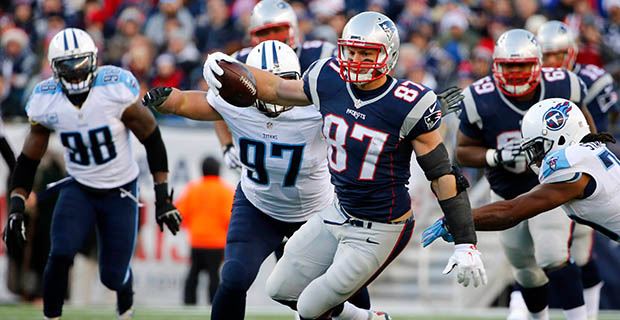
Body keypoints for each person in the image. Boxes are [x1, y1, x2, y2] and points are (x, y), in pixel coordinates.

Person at [202, 12, 486, 320]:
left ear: (388, 54)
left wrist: (465, 242)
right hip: (338, 212)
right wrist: (225, 68)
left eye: (367, 53)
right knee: (281, 289)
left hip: (382, 225)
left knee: (309, 307)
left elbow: (443, 175)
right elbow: (277, 90)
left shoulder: (409, 102)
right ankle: (367, 318)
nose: (357, 60)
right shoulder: (328, 77)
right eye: (351, 51)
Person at [143, 40, 376, 320]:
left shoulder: (316, 108)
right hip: (258, 206)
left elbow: (368, 113)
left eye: (283, 80)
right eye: (266, 80)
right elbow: (190, 102)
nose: (274, 89)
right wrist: (168, 100)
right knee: (233, 279)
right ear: (248, 82)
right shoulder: (236, 103)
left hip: (316, 211)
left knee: (350, 283)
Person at [2, 28, 182, 320]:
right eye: (67, 67)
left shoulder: (115, 89)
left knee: (112, 275)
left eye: (80, 65)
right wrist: (16, 207)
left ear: (93, 61)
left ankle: (125, 298)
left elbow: (151, 137)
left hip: (120, 189)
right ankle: (51, 317)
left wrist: (163, 197)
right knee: (60, 253)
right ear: (54, 68)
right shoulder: (45, 100)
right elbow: (28, 159)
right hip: (79, 185)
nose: (74, 74)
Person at [442, 28, 593, 320]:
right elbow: (462, 150)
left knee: (553, 256)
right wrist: (494, 156)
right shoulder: (478, 97)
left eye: (522, 66)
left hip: (552, 186)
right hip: (507, 191)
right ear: (496, 66)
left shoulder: (564, 85)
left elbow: (585, 129)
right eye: (509, 67)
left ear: (537, 64)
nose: (515, 74)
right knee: (524, 267)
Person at [422, 98, 620, 255]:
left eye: (538, 147)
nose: (535, 158)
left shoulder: (569, 163)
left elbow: (511, 211)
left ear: (560, 136)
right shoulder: (589, 152)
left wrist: (456, 219)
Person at [536, 20, 615, 320]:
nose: (552, 62)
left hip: (583, 169)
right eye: (547, 56)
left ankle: (589, 313)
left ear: (571, 53)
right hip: (548, 170)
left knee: (581, 252)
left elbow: (599, 132)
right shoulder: (537, 82)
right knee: (544, 252)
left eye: (557, 55)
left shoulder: (589, 79)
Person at [217, 0, 337, 171]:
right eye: (265, 32)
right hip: (263, 144)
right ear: (253, 35)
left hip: (313, 148)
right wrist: (226, 144)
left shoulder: (321, 54)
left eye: (278, 29)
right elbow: (217, 103)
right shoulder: (241, 63)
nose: (272, 37)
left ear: (293, 29)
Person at [175, 157, 234, 305]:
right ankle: (213, 304)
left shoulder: (193, 189)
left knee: (193, 274)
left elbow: (180, 214)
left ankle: (189, 304)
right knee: (214, 276)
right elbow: (230, 218)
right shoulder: (225, 191)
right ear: (219, 170)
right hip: (217, 242)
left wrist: (193, 226)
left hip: (197, 241)